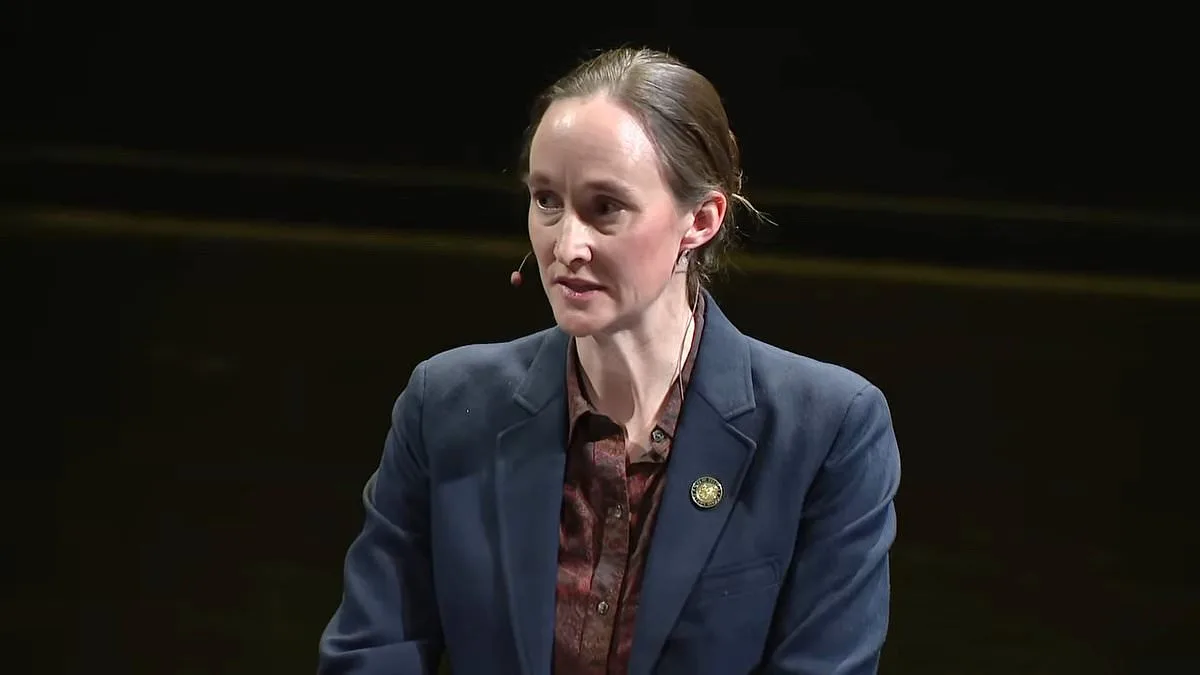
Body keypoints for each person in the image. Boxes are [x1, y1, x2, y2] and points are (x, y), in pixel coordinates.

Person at [318, 47, 901, 675]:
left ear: (701, 219)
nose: (567, 246)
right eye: (547, 200)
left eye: (606, 208)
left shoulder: (826, 428)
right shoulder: (445, 404)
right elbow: (373, 651)